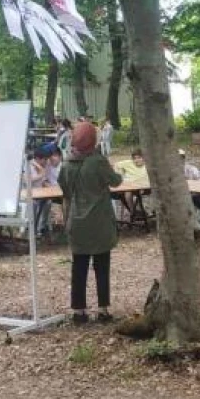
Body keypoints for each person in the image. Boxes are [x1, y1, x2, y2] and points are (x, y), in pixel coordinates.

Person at [59, 122, 122, 324]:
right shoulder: (98, 162)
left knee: (79, 267)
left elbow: (65, 190)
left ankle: (79, 311)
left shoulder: (67, 164)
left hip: (76, 221)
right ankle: (103, 309)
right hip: (99, 222)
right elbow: (115, 181)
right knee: (102, 266)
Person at [113, 149, 149, 220]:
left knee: (138, 193)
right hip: (129, 186)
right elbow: (116, 165)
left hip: (144, 186)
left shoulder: (147, 165)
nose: (137, 160)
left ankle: (140, 212)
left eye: (139, 158)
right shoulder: (128, 163)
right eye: (134, 158)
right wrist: (120, 175)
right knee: (127, 193)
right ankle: (133, 211)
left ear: (144, 158)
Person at [29, 147, 52, 238]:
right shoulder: (29, 166)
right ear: (38, 158)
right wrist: (41, 174)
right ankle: (32, 229)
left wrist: (47, 184)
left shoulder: (42, 167)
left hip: (40, 194)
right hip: (30, 195)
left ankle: (41, 227)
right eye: (45, 159)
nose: (46, 162)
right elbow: (27, 181)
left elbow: (43, 181)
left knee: (48, 202)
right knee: (34, 204)